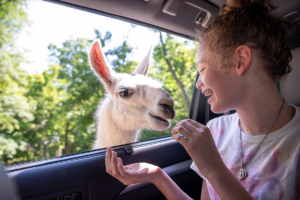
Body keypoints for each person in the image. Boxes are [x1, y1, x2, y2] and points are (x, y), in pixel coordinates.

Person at [105, 0, 300, 199]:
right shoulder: (216, 130)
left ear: (240, 61)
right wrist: (157, 176)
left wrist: (215, 170)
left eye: (202, 70)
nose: (198, 84)